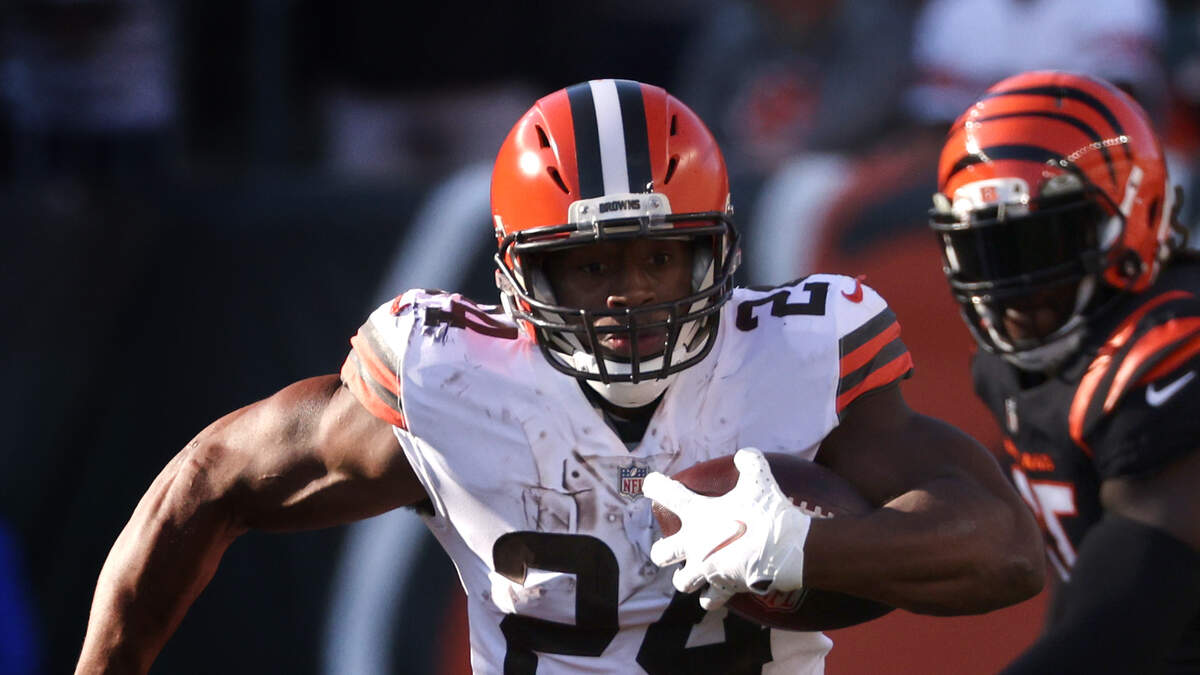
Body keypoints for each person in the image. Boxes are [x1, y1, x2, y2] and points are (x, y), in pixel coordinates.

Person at [75, 79, 1043, 675]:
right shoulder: (452, 381)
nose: (630, 292)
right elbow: (206, 485)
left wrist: (806, 548)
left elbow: (1005, 550)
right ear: (520, 274)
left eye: (659, 256)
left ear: (716, 254)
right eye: (590, 264)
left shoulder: (793, 358)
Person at [929, 70, 1200, 673]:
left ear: (1133, 214)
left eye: (1042, 244)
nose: (1015, 292)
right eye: (987, 252)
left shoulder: (1169, 347)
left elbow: (1123, 620)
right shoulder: (1010, 370)